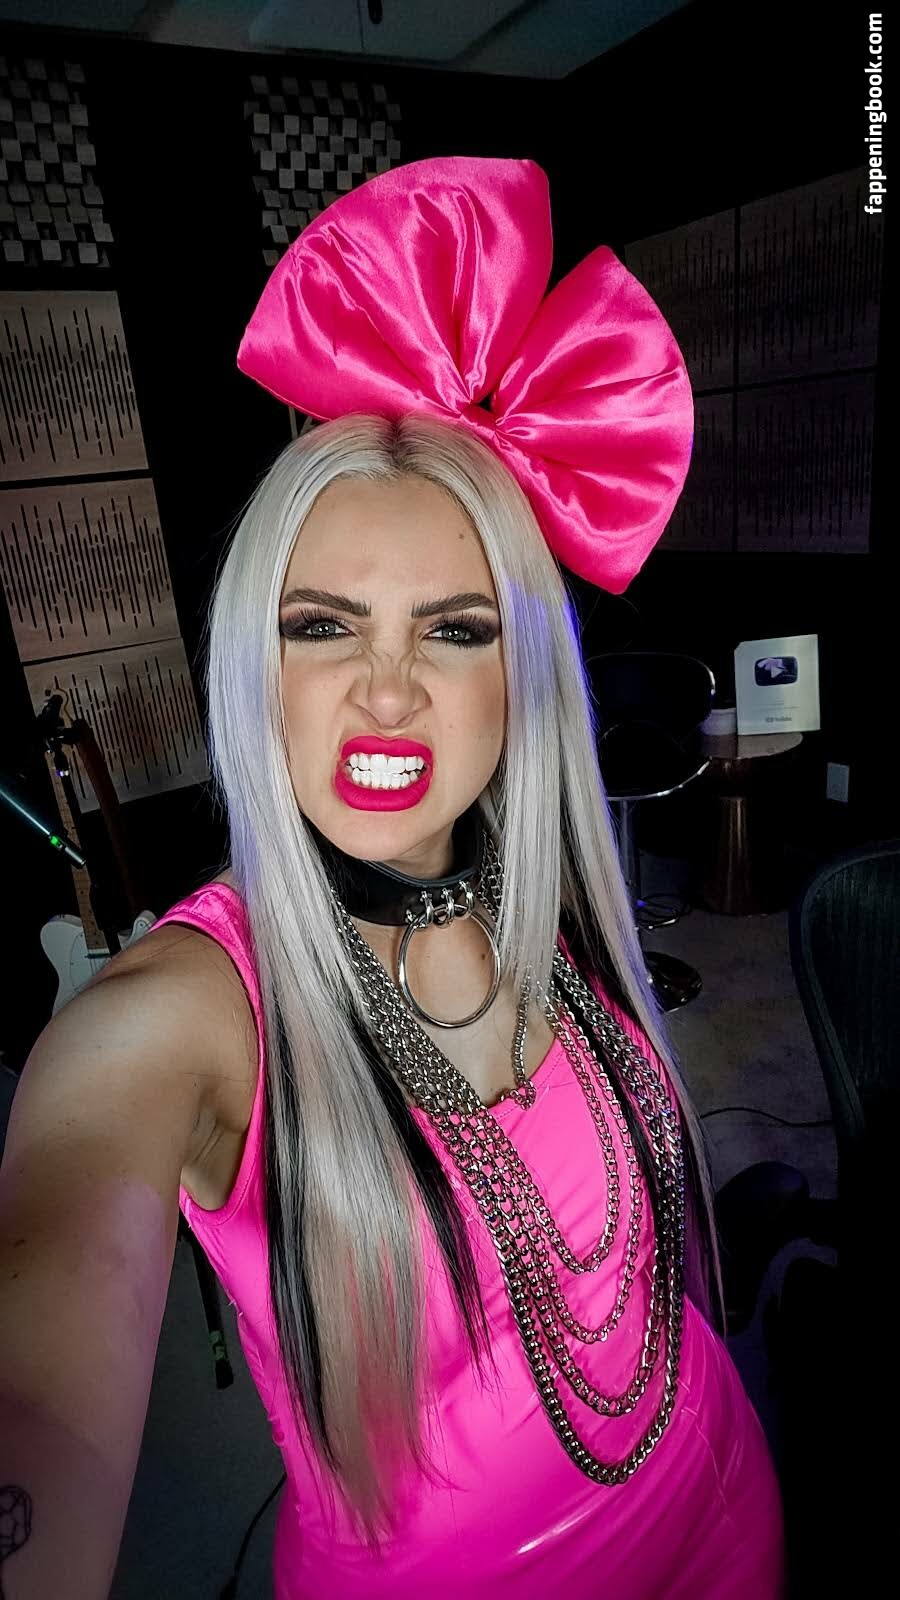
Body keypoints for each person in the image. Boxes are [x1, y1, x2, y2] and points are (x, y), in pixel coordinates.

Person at [0, 158, 784, 1598]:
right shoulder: (175, 1020)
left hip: (729, 1508)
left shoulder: (540, 889)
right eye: (322, 626)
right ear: (258, 664)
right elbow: (40, 1392)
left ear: (517, 677)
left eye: (453, 630)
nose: (385, 689)